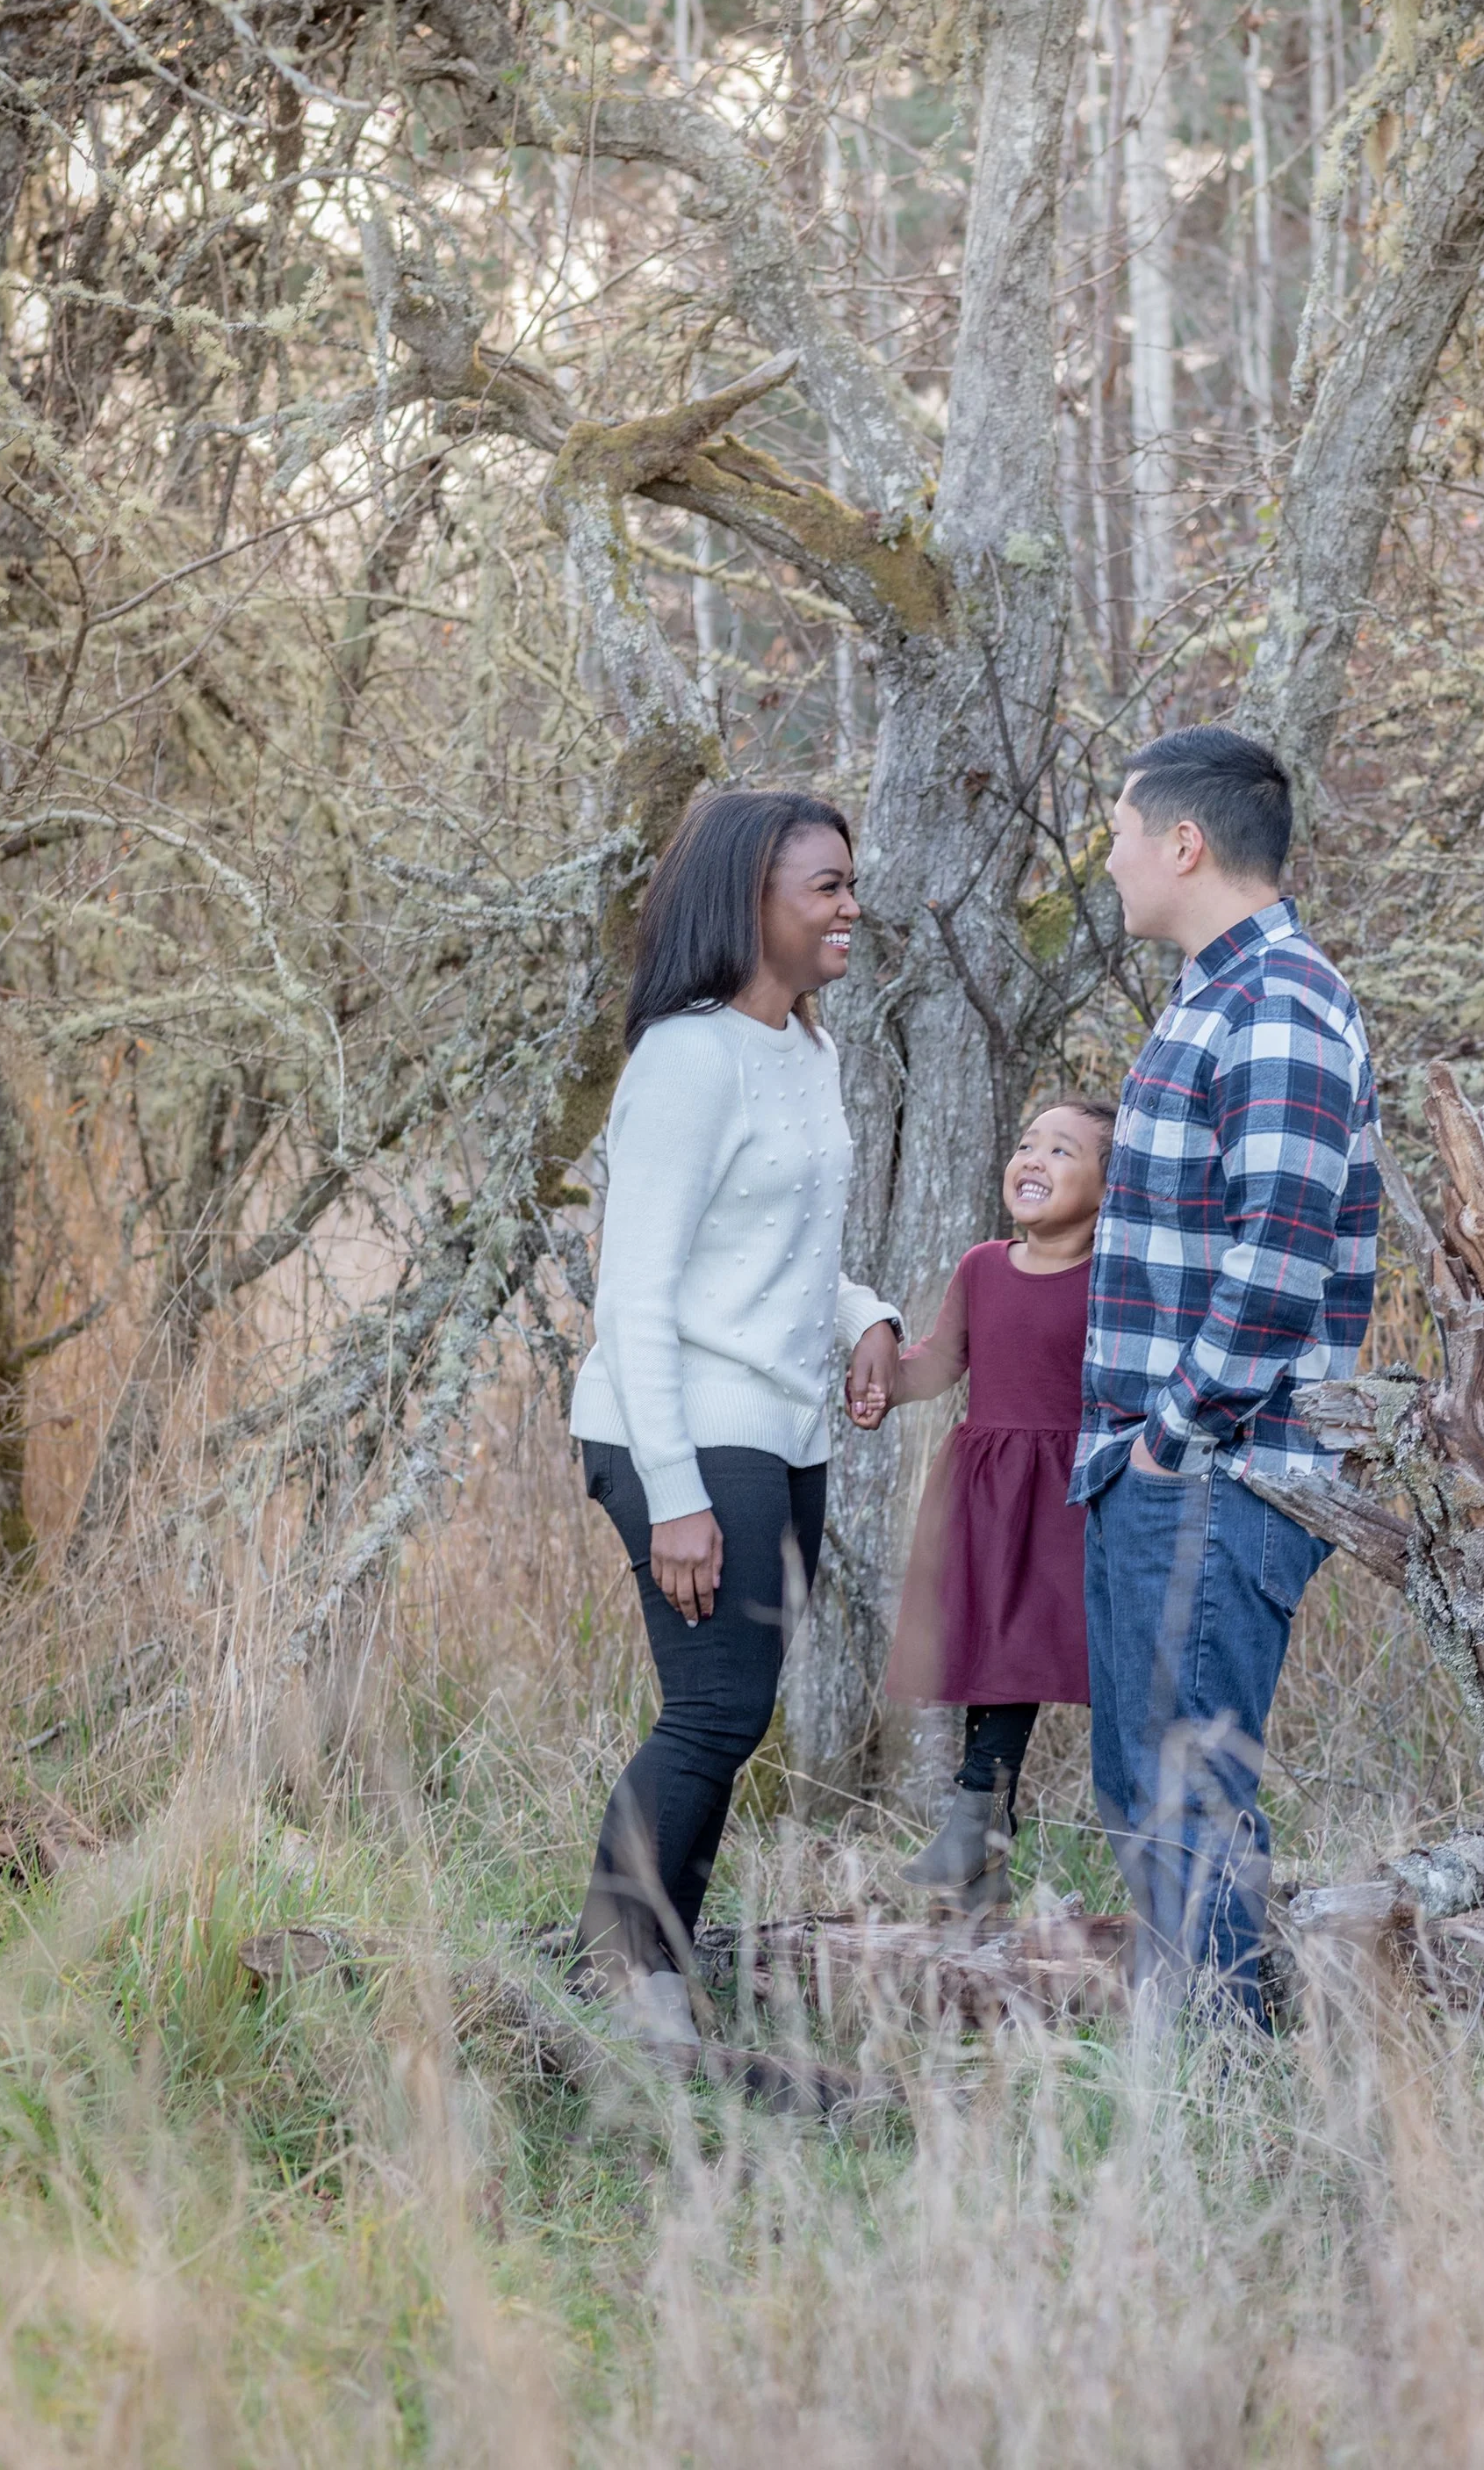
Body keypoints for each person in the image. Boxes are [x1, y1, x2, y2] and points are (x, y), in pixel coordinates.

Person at [566, 789, 903, 2058]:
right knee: (714, 1711)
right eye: (825, 886)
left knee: (736, 1711)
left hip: (781, 1433)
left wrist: (862, 1314)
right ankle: (627, 1982)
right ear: (750, 901)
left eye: (847, 882)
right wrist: (678, 1492)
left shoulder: (805, 1050)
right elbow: (636, 1295)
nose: (849, 907)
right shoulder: (688, 1060)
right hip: (683, 1432)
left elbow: (785, 1247)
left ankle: (664, 1967)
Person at [1070, 726, 1381, 2024]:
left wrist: (1169, 1440)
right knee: (1155, 1799)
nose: (1111, 858)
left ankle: (1225, 2120)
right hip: (1165, 1471)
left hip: (1214, 1471)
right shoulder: (1214, 999)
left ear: (1183, 843)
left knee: (1190, 1801)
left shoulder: (1279, 1006)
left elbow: (1280, 1264)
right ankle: (1186, 2119)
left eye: (1119, 832)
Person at [858, 1096, 1115, 1912]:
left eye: (1063, 1151)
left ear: (1110, 1185)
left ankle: (975, 1823)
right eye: (1026, 1141)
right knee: (987, 1656)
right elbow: (940, 1361)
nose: (1034, 1158)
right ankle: (983, 1857)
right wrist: (888, 1384)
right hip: (985, 1486)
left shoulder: (1112, 1270)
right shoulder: (982, 1266)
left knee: (1018, 1653)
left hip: (1065, 1494)